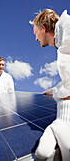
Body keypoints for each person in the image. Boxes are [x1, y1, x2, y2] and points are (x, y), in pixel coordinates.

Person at [30, 9, 70, 161]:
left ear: (44, 28)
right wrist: (56, 90)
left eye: (35, 33)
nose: (35, 39)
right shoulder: (63, 42)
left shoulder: (68, 31)